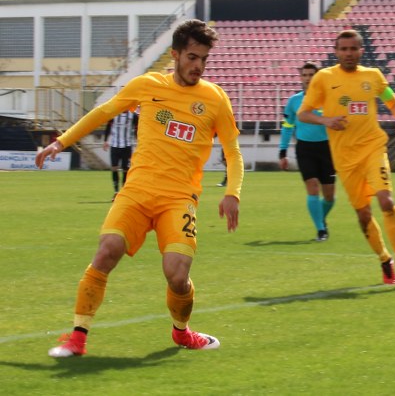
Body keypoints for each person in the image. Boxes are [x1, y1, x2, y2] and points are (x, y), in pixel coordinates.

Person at [35, 19, 243, 358]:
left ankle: (182, 332)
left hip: (178, 198)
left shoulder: (215, 99)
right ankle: (76, 339)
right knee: (106, 252)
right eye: (192, 57)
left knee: (177, 274)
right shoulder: (147, 86)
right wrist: (61, 142)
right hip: (137, 191)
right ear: (174, 54)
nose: (198, 66)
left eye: (204, 59)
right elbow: (104, 112)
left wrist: (232, 192)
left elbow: (233, 152)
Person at [297, 29, 395, 286]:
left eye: (353, 49)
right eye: (343, 49)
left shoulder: (372, 76)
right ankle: (385, 260)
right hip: (344, 158)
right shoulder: (324, 78)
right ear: (336, 51)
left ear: (361, 51)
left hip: (373, 148)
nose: (348, 53)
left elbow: (393, 102)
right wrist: (326, 120)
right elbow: (304, 114)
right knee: (363, 214)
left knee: (386, 200)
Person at [279, 61, 336, 241]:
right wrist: (283, 151)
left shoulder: (329, 99)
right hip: (305, 148)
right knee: (312, 187)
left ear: (317, 77)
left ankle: (320, 218)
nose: (307, 78)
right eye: (304, 75)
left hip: (327, 148)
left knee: (329, 196)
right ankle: (321, 230)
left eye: (311, 75)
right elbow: (288, 126)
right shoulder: (294, 101)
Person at [103, 109, 139, 197]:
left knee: (125, 169)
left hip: (127, 146)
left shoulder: (133, 116)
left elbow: (136, 129)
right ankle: (116, 192)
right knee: (114, 168)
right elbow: (108, 127)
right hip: (115, 145)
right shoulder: (114, 114)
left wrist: (138, 141)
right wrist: (105, 140)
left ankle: (123, 192)